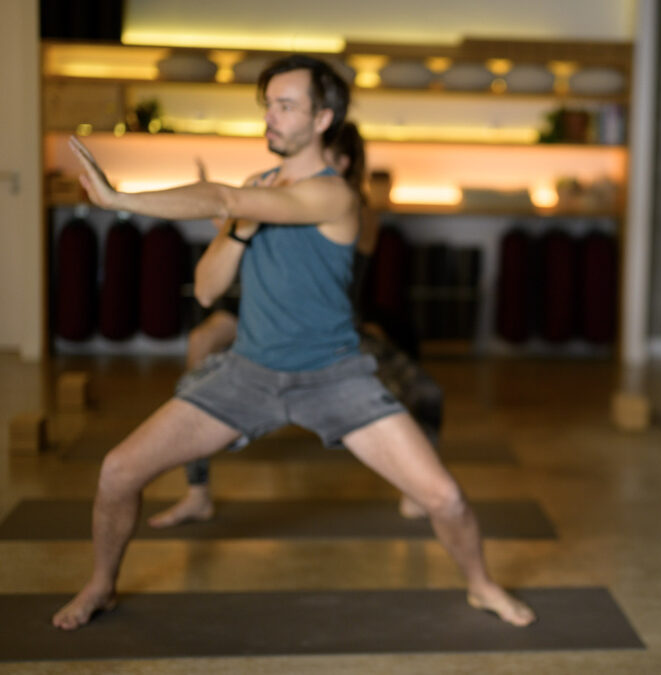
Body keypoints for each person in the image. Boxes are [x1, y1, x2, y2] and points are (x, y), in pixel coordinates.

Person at [52, 54, 534, 630]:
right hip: (248, 373)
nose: (271, 118)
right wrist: (244, 224)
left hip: (336, 377)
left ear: (323, 118)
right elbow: (207, 289)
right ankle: (101, 585)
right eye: (268, 105)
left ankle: (481, 585)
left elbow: (226, 198)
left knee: (445, 498)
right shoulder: (256, 191)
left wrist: (122, 199)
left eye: (286, 106)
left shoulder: (336, 197)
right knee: (117, 470)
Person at [146, 122, 439, 528]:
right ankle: (198, 492)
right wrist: (233, 215)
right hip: (263, 308)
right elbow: (243, 228)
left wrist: (244, 206)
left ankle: (417, 490)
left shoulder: (350, 206)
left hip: (326, 320)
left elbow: (292, 228)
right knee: (201, 339)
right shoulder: (281, 191)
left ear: (342, 162)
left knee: (424, 394)